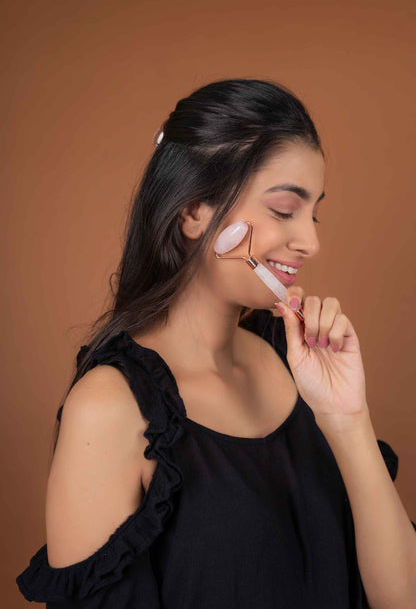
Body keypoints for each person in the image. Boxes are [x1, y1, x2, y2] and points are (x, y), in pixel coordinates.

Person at [16, 78, 415, 608]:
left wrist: (348, 419)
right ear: (193, 212)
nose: (311, 242)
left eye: (313, 213)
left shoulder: (298, 363)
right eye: (284, 210)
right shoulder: (109, 408)